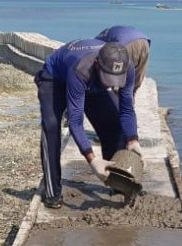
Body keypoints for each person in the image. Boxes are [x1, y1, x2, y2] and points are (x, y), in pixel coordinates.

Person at [35, 40, 142, 208]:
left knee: (114, 125)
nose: (113, 83)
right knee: (52, 126)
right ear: (98, 63)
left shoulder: (127, 67)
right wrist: (92, 160)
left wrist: (133, 140)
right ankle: (52, 192)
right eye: (109, 78)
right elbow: (76, 122)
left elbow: (127, 109)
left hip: (93, 82)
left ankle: (117, 182)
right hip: (56, 79)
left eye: (116, 79)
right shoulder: (81, 69)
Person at [95, 25, 151, 92]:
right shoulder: (107, 33)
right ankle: (133, 91)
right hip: (144, 41)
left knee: (121, 70)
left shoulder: (97, 43)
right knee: (139, 71)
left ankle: (123, 94)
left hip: (125, 43)